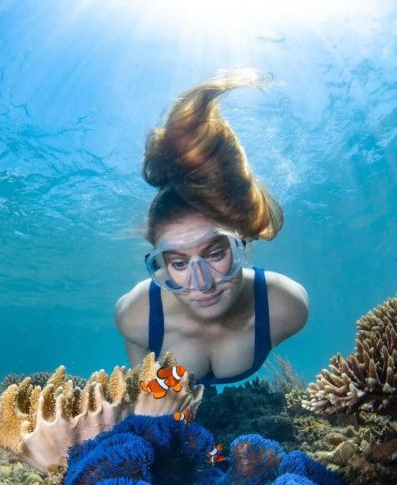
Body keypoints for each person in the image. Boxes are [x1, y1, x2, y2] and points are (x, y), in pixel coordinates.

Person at [115, 70, 309, 386]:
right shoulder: (135, 317)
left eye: (215, 252)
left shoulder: (287, 308)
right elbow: (144, 392)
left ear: (242, 242)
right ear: (160, 265)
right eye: (178, 263)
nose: (203, 284)